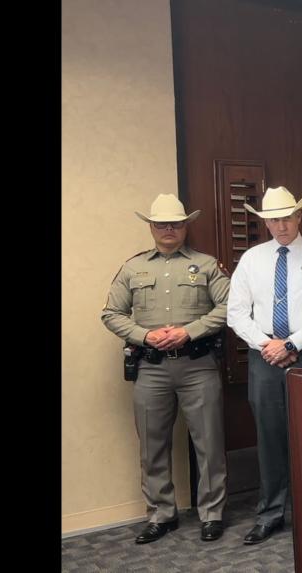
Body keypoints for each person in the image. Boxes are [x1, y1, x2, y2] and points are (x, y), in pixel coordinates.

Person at [101, 193, 231, 544]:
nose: (168, 229)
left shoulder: (206, 265)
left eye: (175, 223)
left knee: (209, 443)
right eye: (161, 224)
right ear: (151, 227)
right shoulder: (133, 268)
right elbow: (111, 314)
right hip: (152, 369)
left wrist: (189, 331)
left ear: (186, 226)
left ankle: (212, 513)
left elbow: (230, 306)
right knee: (152, 445)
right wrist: (145, 335)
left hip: (198, 366)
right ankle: (161, 514)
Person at [226, 186, 302, 544]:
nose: (281, 224)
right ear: (265, 222)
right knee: (269, 437)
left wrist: (291, 344)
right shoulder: (252, 259)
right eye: (273, 219)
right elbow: (236, 314)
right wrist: (268, 345)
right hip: (264, 358)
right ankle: (270, 513)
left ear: (299, 217)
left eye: (287, 217)